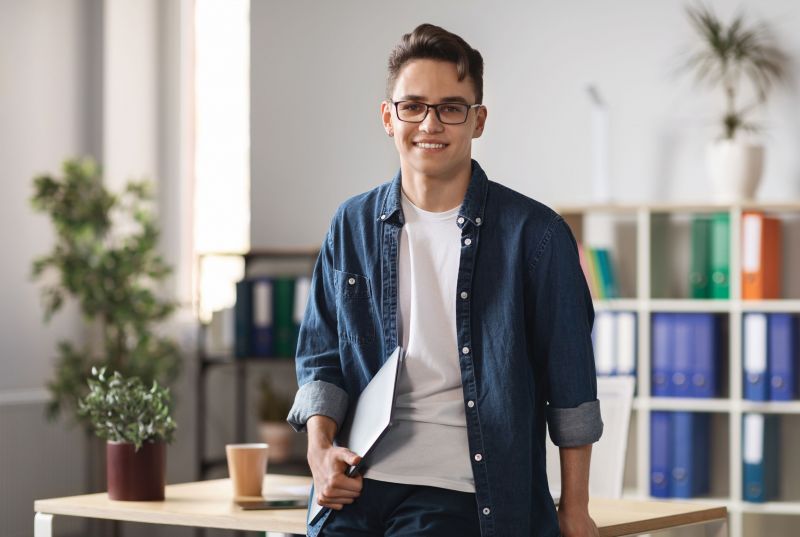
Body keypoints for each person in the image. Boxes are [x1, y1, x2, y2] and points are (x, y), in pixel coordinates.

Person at [287, 23, 603, 537]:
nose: (430, 124)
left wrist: (575, 507)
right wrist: (320, 453)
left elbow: (572, 384)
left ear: (478, 120)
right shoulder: (350, 224)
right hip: (355, 484)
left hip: (464, 491)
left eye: (451, 108)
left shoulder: (536, 235)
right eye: (413, 106)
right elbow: (322, 359)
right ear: (388, 117)